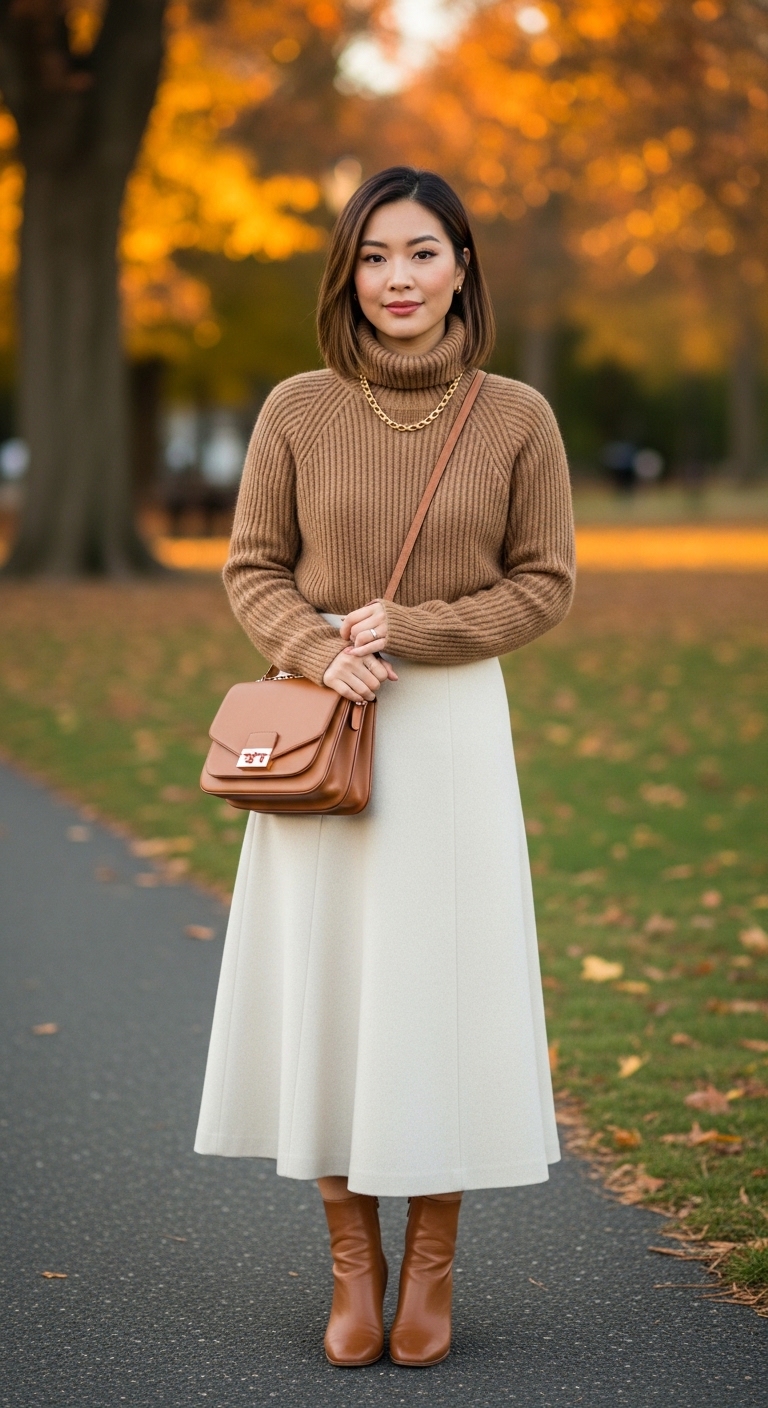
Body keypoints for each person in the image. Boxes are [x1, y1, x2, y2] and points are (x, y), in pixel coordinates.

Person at [194, 166, 576, 1369]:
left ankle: (432, 1273)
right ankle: (352, 1268)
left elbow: (544, 582)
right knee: (336, 990)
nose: (397, 279)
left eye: (420, 253)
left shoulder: (517, 417)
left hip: (453, 735)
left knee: (437, 997)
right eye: (373, 256)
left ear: (462, 264)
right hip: (321, 734)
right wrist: (317, 648)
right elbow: (252, 564)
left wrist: (409, 628)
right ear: (346, 275)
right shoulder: (297, 409)